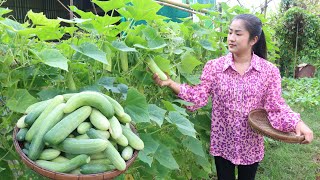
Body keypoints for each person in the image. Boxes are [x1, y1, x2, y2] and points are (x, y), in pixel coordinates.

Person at [152, 14, 313, 180]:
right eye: (230, 33)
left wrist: (297, 123)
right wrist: (171, 83)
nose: (231, 38)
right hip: (223, 141)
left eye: (238, 33)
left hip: (251, 143)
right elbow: (198, 96)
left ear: (253, 40)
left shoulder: (269, 71)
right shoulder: (214, 67)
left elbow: (275, 106)